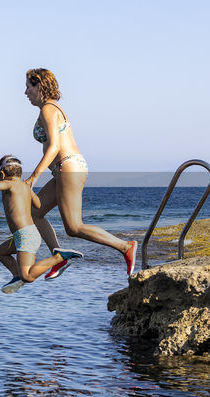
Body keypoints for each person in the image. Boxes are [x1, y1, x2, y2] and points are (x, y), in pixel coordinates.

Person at [22, 67, 139, 276]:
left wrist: (34, 177)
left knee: (74, 227)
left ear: (39, 85)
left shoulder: (48, 109)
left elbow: (54, 147)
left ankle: (125, 246)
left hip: (68, 167)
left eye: (28, 87)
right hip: (64, 169)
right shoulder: (52, 108)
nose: (25, 92)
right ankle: (59, 257)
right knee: (34, 213)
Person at [0, 155, 83, 293]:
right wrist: (28, 193)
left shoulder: (9, 184)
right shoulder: (26, 187)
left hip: (26, 236)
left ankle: (59, 257)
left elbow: (3, 184)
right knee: (0, 252)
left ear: (2, 174)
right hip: (24, 235)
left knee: (27, 276)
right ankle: (17, 276)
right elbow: (38, 204)